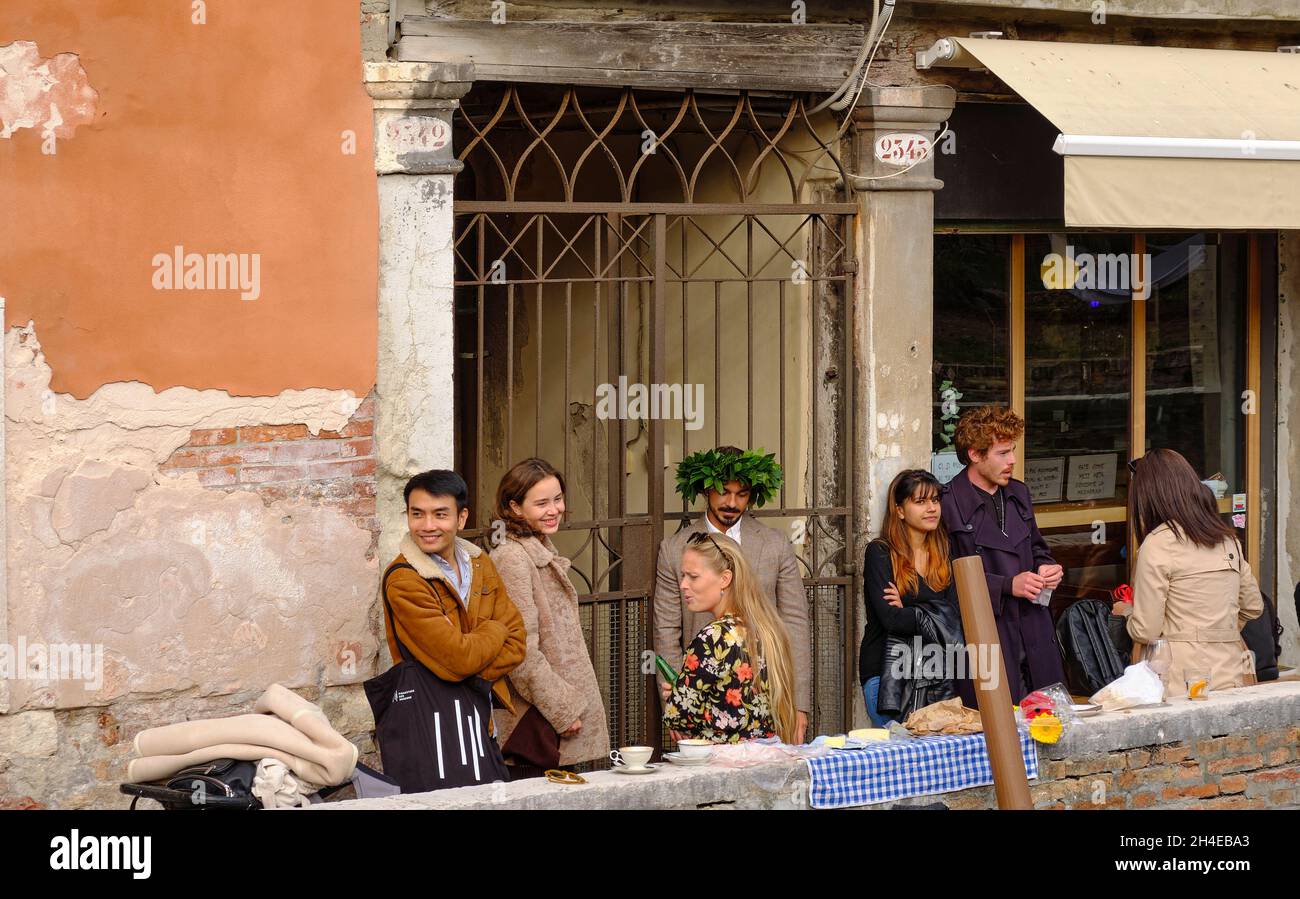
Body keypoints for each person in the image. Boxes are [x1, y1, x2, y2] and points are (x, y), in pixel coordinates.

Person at [654, 446, 811, 743]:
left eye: (741, 494)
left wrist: (798, 704)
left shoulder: (775, 544)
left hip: (768, 697)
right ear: (705, 490)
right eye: (723, 492)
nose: (731, 502)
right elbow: (666, 630)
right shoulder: (674, 549)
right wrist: (676, 704)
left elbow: (795, 626)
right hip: (703, 704)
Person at [490, 458, 610, 778]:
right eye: (541, 503)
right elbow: (521, 651)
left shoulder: (537, 547)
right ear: (515, 507)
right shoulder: (512, 558)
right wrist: (562, 709)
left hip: (552, 717)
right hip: (537, 719)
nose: (554, 509)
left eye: (557, 499)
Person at [381, 469, 527, 731]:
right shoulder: (405, 580)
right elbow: (459, 659)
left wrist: (468, 663)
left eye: (440, 514)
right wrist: (496, 629)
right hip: (432, 726)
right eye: (417, 514)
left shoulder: (481, 563)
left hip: (481, 721)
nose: (427, 526)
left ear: (461, 518)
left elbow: (517, 642)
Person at [940, 405, 1065, 704]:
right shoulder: (946, 503)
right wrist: (1008, 585)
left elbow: (1037, 548)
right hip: (987, 636)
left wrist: (1048, 568)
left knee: (1049, 726)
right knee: (996, 735)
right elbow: (942, 579)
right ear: (974, 454)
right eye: (1002, 453)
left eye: (1012, 451)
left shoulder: (1019, 494)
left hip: (1034, 628)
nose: (1012, 460)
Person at [1112, 449, 1264, 691]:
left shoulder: (1157, 543)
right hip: (1231, 671)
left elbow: (1146, 629)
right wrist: (1217, 633)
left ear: (1150, 497)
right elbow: (1253, 606)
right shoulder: (1226, 539)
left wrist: (1125, 611)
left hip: (1178, 678)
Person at [661, 533, 799, 744]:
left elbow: (679, 718)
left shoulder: (712, 638)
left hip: (721, 765)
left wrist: (677, 695)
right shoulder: (768, 629)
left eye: (693, 576)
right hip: (767, 759)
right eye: (683, 576)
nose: (683, 585)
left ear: (725, 579)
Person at [860, 470, 965, 727]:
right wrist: (934, 612)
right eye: (920, 502)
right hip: (888, 676)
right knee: (900, 754)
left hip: (934, 675)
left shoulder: (944, 553)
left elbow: (954, 619)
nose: (931, 508)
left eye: (935, 500)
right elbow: (891, 620)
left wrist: (909, 607)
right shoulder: (881, 552)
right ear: (899, 510)